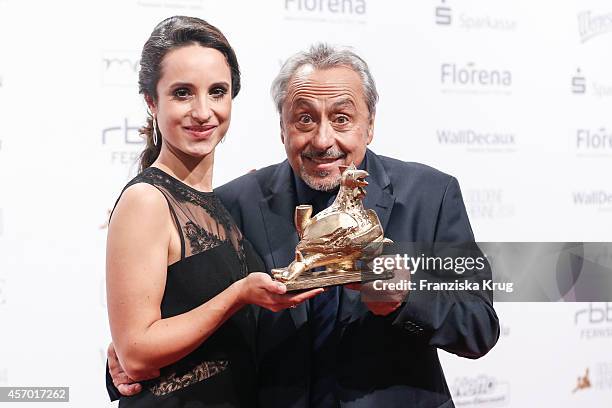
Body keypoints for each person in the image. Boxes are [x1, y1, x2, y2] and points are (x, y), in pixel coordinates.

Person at [109, 43, 500, 407]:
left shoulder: (430, 196)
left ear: (370, 124)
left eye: (342, 118)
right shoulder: (233, 205)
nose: (323, 139)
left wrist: (406, 301)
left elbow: (480, 326)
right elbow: (182, 326)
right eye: (305, 119)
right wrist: (124, 363)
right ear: (282, 128)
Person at [105, 16, 322, 408]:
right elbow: (135, 353)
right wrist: (238, 295)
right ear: (152, 102)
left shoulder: (221, 201)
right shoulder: (147, 200)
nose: (203, 111)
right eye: (183, 93)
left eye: (217, 92)